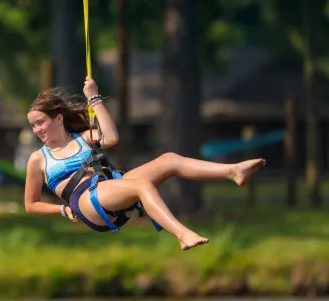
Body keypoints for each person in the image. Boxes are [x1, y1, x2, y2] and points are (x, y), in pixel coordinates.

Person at [24, 77, 265, 250]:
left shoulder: (83, 138)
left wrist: (95, 99)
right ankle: (182, 235)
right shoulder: (38, 159)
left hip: (111, 188)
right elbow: (30, 204)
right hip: (87, 203)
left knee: (169, 160)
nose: (37, 130)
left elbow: (112, 138)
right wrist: (63, 210)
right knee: (141, 185)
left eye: (40, 122)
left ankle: (233, 171)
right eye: (33, 125)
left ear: (58, 118)